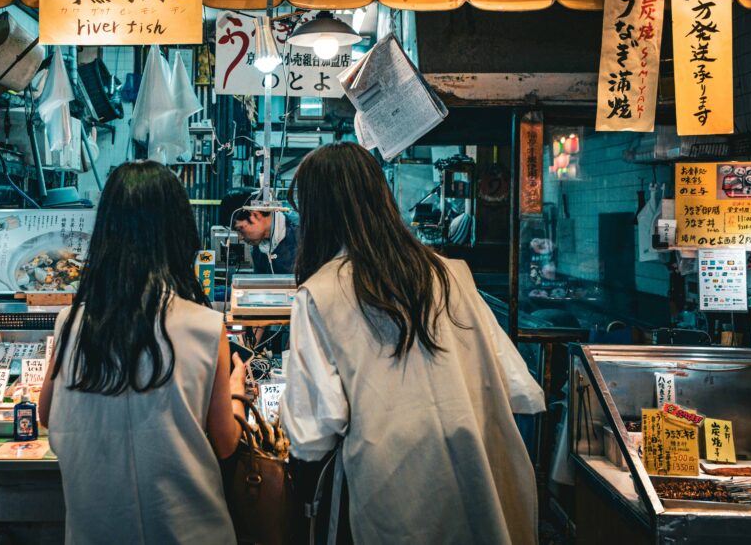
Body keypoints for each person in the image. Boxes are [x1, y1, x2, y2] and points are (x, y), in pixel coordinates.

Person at [280, 142, 545, 545]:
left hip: (390, 496)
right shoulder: (452, 274)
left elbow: (312, 435)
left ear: (317, 213)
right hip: (479, 481)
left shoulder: (319, 295)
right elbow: (524, 391)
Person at [39, 161, 248, 545]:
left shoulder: (71, 322)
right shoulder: (204, 325)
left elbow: (46, 415)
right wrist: (237, 391)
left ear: (106, 232)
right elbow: (226, 441)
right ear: (179, 232)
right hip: (188, 530)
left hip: (95, 531)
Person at [219, 188, 299, 274]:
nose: (240, 237)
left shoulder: (301, 235)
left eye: (240, 229)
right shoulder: (258, 250)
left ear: (255, 214)